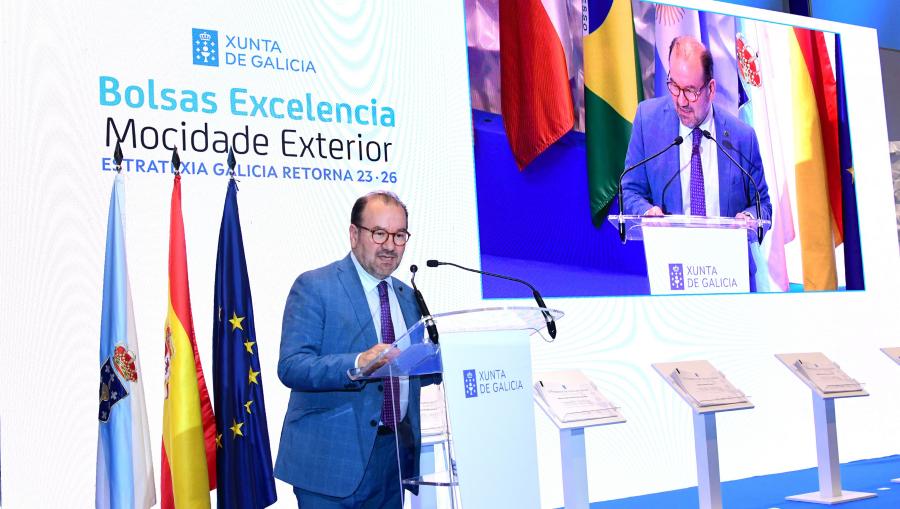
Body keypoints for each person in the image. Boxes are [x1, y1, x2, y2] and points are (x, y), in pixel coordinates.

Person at [275, 191, 429, 508]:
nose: (390, 245)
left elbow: (411, 373)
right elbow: (291, 366)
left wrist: (444, 362)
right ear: (354, 234)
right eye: (379, 233)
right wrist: (359, 363)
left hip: (393, 460)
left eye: (399, 235)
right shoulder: (315, 286)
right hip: (329, 462)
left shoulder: (408, 297)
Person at [621, 35, 772, 226]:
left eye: (691, 91)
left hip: (725, 253)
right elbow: (630, 190)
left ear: (711, 89)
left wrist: (749, 219)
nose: (681, 101)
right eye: (674, 86)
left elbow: (763, 205)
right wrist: (647, 212)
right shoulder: (647, 120)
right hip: (669, 253)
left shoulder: (742, 137)